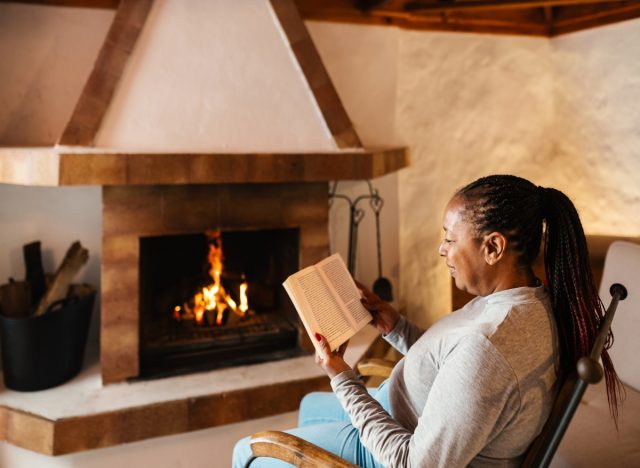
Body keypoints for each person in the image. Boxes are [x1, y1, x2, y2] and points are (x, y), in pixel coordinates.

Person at [232, 174, 622, 467]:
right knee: (309, 406)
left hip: (388, 449)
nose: (442, 250)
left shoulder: (489, 349)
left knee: (245, 450)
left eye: (451, 239)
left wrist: (341, 375)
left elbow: (412, 463)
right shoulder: (527, 302)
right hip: (402, 413)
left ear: (493, 247)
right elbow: (455, 367)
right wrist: (396, 327)